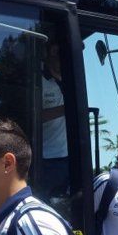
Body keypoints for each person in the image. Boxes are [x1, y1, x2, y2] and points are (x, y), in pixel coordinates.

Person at [41, 40, 69, 199]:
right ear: (52, 51)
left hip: (68, 155)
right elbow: (34, 117)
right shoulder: (38, 80)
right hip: (47, 158)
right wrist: (67, 109)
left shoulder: (71, 79)